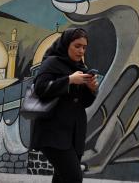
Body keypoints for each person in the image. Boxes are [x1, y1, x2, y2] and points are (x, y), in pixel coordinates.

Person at [30, 27, 98, 182]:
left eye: (84, 47)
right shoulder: (52, 62)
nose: (81, 51)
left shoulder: (81, 68)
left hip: (74, 135)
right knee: (74, 178)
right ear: (66, 44)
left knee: (61, 179)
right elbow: (40, 88)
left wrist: (92, 90)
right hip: (53, 133)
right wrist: (69, 80)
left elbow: (84, 103)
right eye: (77, 46)